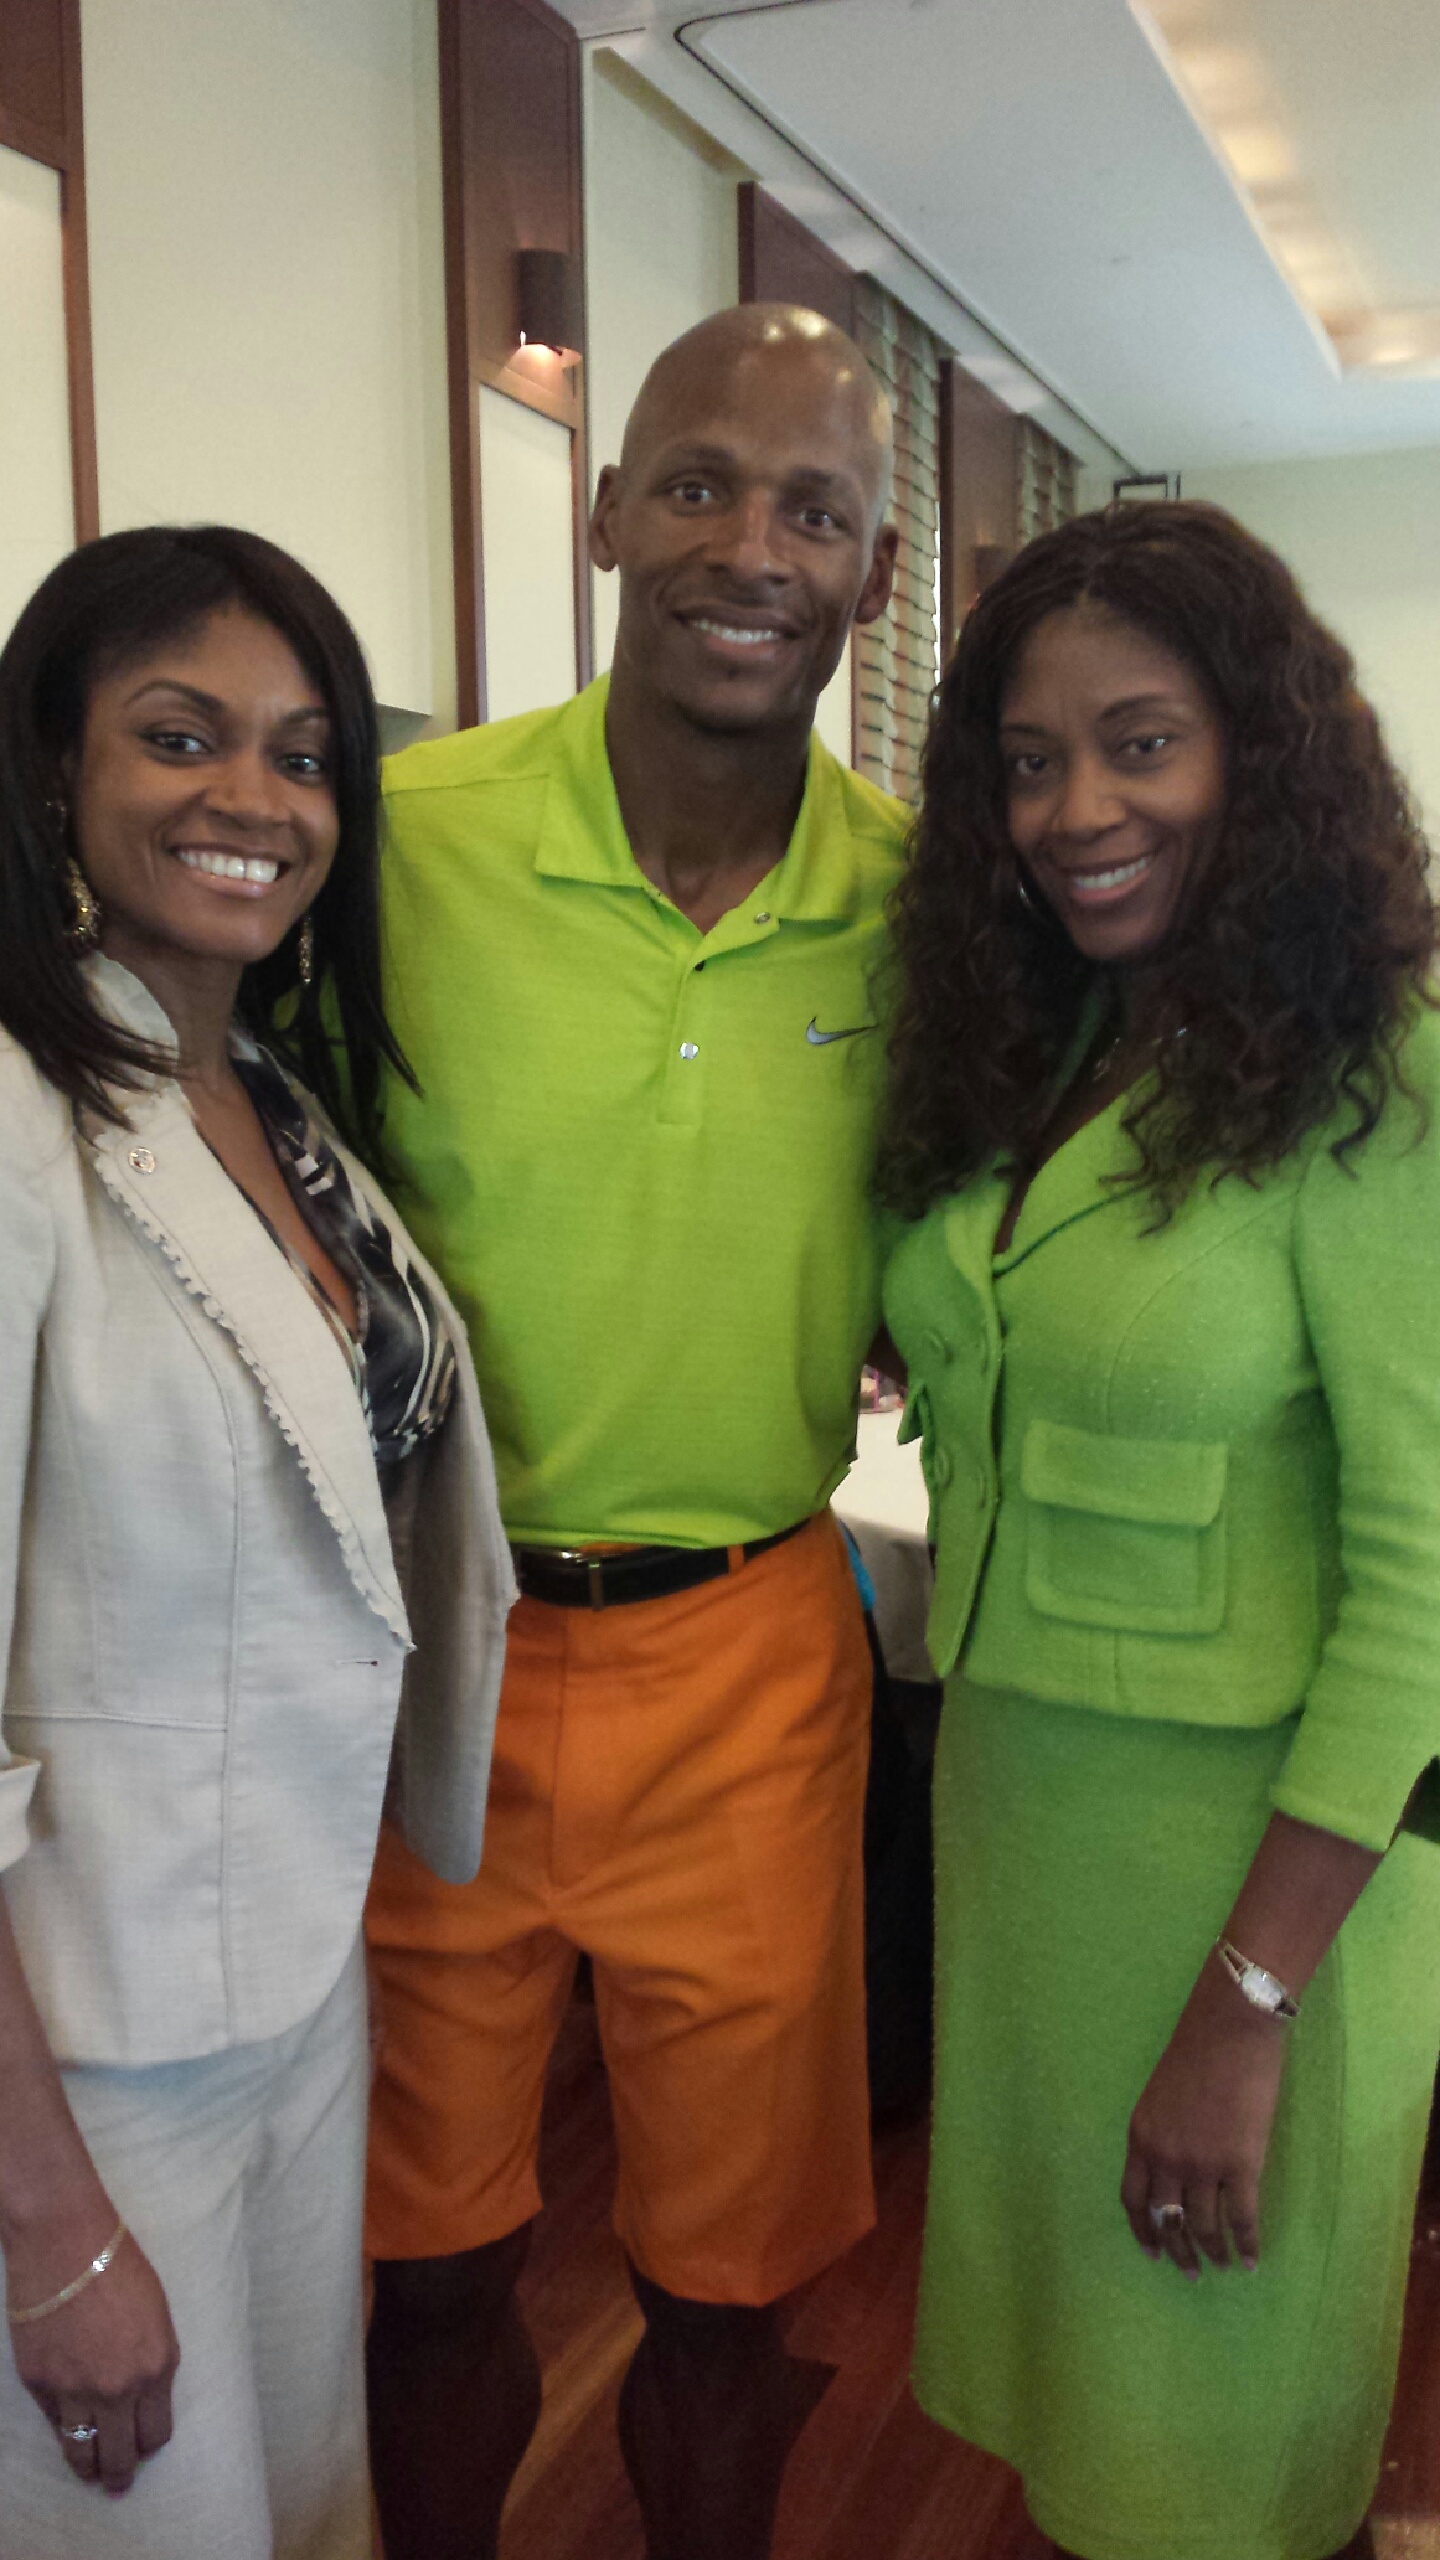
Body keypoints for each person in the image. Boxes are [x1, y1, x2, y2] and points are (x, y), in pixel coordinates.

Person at [362, 302, 904, 2560]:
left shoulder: (928, 904)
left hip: (754, 1660)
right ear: (598, 507)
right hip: (420, 1649)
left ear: (876, 572)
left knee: (723, 2283)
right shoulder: (395, 838)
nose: (746, 544)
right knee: (425, 2261)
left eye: (814, 506)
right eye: (696, 480)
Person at [880, 498, 1440, 2560]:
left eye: (1142, 741)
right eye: (1030, 761)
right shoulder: (1064, 1050)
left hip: (1254, 1893)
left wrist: (1246, 2008)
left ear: (1259, 758)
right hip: (1030, 1845)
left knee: (1210, 2457)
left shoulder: (1383, 1083)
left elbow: (1427, 1597)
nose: (1078, 807)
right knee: (1090, 2434)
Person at [0, 526, 514, 2559]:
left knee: (305, 2504)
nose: (252, 796)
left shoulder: (270, 1090)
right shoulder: (20, 1115)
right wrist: (43, 2223)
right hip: (95, 2047)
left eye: (303, 755)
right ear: (50, 767)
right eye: (179, 735)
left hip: (300, 1974)